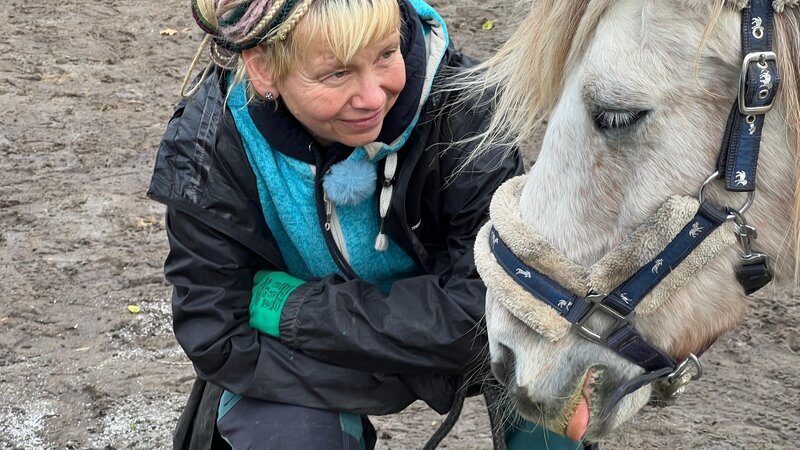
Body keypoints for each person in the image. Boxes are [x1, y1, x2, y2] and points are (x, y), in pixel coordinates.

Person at [148, 0, 584, 448]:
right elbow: (218, 336)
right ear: (262, 70)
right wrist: (411, 352)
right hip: (365, 344)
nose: (373, 97)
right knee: (289, 438)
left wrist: (296, 310)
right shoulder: (209, 142)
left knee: (552, 369)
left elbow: (491, 308)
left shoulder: (467, 110)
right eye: (337, 74)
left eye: (387, 54)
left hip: (307, 335)